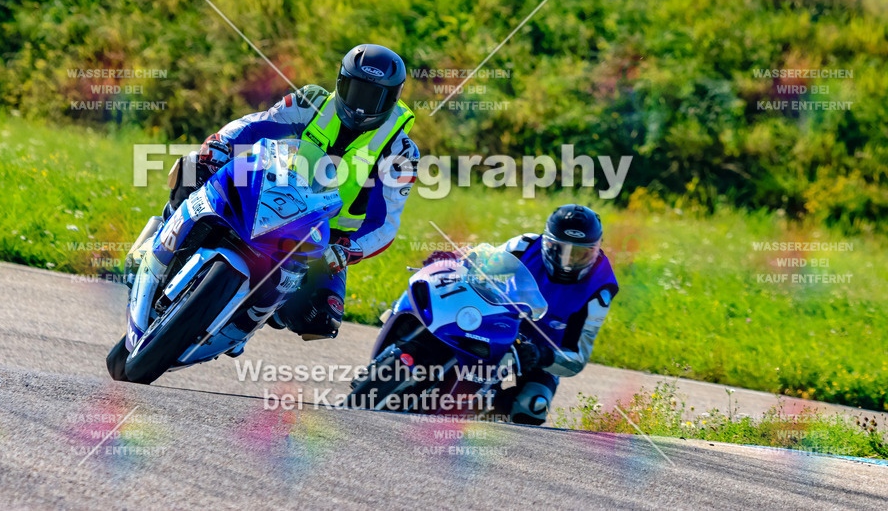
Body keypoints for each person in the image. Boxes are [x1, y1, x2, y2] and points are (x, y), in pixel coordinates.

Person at [164, 44, 420, 340]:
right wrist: (219, 145)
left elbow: (384, 223)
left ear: (393, 97)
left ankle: (235, 331)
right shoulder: (311, 101)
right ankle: (162, 247)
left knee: (318, 319)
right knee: (192, 168)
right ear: (340, 82)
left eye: (374, 96)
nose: (361, 105)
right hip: (272, 191)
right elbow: (253, 127)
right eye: (355, 90)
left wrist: (347, 250)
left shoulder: (400, 151)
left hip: (326, 236)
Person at [424, 204, 619, 425]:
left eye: (580, 254)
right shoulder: (525, 246)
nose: (569, 262)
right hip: (495, 325)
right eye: (561, 250)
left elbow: (577, 358)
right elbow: (480, 261)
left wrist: (541, 355)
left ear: (596, 249)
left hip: (537, 354)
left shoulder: (600, 288)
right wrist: (451, 261)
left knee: (534, 405)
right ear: (546, 243)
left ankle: (494, 434)